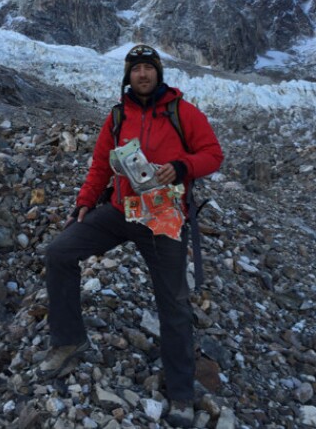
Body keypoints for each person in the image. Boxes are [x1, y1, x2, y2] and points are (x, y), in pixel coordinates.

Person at [40, 44, 224, 427]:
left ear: (158, 73)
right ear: (128, 76)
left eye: (148, 68)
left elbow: (213, 155)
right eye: (136, 68)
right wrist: (84, 203)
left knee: (173, 302)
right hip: (120, 211)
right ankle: (70, 340)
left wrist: (181, 165)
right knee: (59, 252)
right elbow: (100, 165)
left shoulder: (182, 113)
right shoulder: (118, 116)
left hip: (163, 219)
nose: (143, 74)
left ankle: (181, 393)